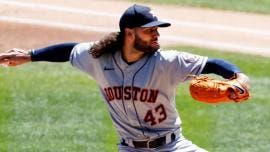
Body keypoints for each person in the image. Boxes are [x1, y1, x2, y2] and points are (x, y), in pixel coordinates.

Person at [0, 4, 250, 152]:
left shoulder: (167, 62)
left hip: (174, 147)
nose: (156, 36)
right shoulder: (100, 58)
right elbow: (70, 50)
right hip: (129, 148)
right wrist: (30, 56)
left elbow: (213, 64)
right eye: (149, 30)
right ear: (129, 33)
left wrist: (238, 78)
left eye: (157, 30)